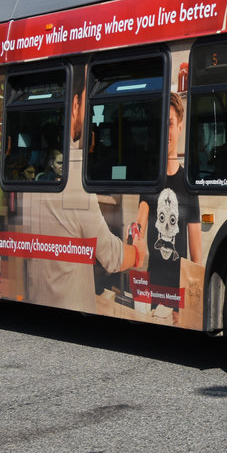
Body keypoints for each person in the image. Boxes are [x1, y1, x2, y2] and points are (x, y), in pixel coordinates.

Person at [19, 67, 145, 312]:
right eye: (89, 102)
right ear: (76, 104)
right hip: (69, 310)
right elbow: (111, 256)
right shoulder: (75, 174)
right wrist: (138, 252)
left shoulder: (33, 170)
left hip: (36, 301)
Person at [136, 91, 202, 321]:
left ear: (180, 126)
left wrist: (189, 307)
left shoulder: (189, 186)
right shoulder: (149, 180)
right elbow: (140, 224)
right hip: (152, 294)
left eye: (170, 124)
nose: (167, 132)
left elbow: (195, 258)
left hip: (179, 298)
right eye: (162, 126)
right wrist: (134, 234)